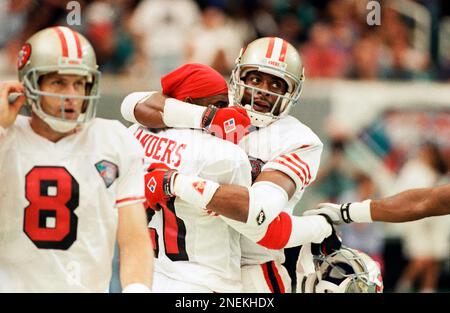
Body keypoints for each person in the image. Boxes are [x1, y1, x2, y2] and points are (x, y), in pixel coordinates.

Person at [121, 37, 328, 292]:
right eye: (256, 79)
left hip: (253, 271)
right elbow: (132, 105)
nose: (264, 90)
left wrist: (173, 182)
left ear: (291, 93)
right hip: (189, 266)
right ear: (239, 76)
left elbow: (258, 214)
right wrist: (210, 117)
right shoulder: (218, 100)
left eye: (277, 84)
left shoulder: (298, 139)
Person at [0, 26, 153, 292]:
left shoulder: (114, 139)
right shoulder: (8, 136)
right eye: (59, 82)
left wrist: (137, 289)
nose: (72, 94)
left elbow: (133, 238)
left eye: (79, 82)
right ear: (30, 86)